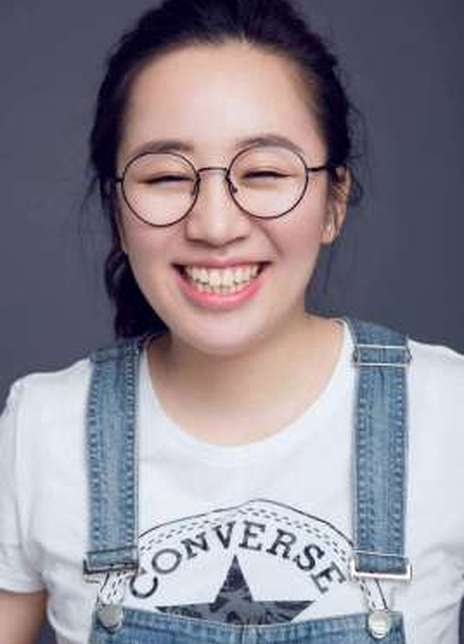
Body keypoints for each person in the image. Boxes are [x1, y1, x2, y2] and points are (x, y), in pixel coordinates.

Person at [0, 0, 463, 642]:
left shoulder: (449, 413)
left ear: (334, 201)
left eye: (264, 171)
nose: (215, 225)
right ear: (117, 210)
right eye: (166, 176)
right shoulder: (42, 430)